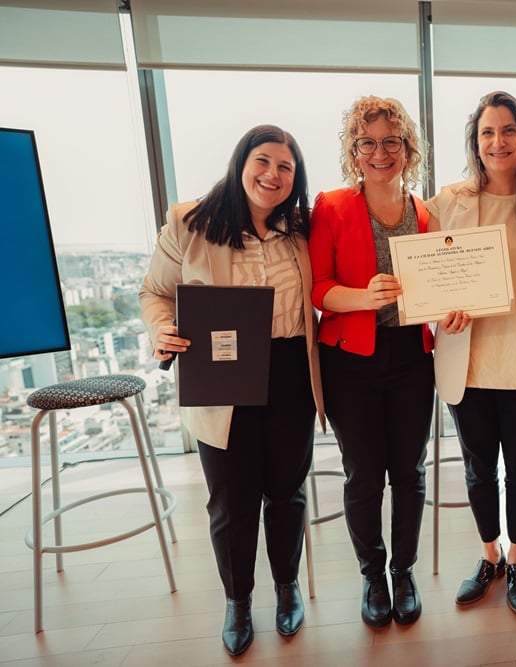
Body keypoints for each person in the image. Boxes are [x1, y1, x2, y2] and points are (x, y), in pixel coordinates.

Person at [140, 124, 324, 656]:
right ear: (241, 162)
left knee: (287, 492)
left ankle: (286, 587)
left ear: (296, 178)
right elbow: (155, 292)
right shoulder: (190, 222)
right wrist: (160, 329)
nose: (272, 175)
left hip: (290, 369)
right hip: (222, 376)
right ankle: (237, 600)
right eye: (263, 161)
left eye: (285, 167)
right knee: (230, 500)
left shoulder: (301, 230)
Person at [308, 96, 434, 628]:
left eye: (391, 141)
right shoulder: (332, 206)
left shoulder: (426, 213)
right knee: (363, 475)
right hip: (350, 361)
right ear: (353, 151)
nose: (380, 152)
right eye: (368, 143)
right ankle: (372, 573)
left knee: (409, 471)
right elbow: (317, 290)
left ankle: (403, 570)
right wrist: (364, 296)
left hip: (411, 356)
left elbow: (438, 286)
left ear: (408, 149)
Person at [428, 91, 516, 616]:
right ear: (474, 142)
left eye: (507, 131)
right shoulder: (447, 201)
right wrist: (441, 310)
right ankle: (489, 556)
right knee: (479, 469)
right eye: (487, 132)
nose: (497, 142)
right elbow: (426, 273)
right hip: (470, 361)